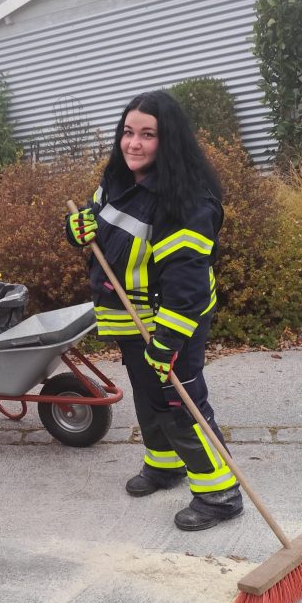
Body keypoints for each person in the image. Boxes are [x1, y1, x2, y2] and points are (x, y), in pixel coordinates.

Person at [66, 90, 243, 531]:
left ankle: (220, 492)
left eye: (148, 135)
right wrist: (79, 228)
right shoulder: (116, 182)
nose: (133, 144)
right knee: (149, 399)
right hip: (131, 320)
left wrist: (168, 342)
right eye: (128, 132)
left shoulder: (186, 201)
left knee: (181, 402)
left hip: (170, 323)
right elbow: (99, 228)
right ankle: (165, 465)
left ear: (170, 141)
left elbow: (186, 287)